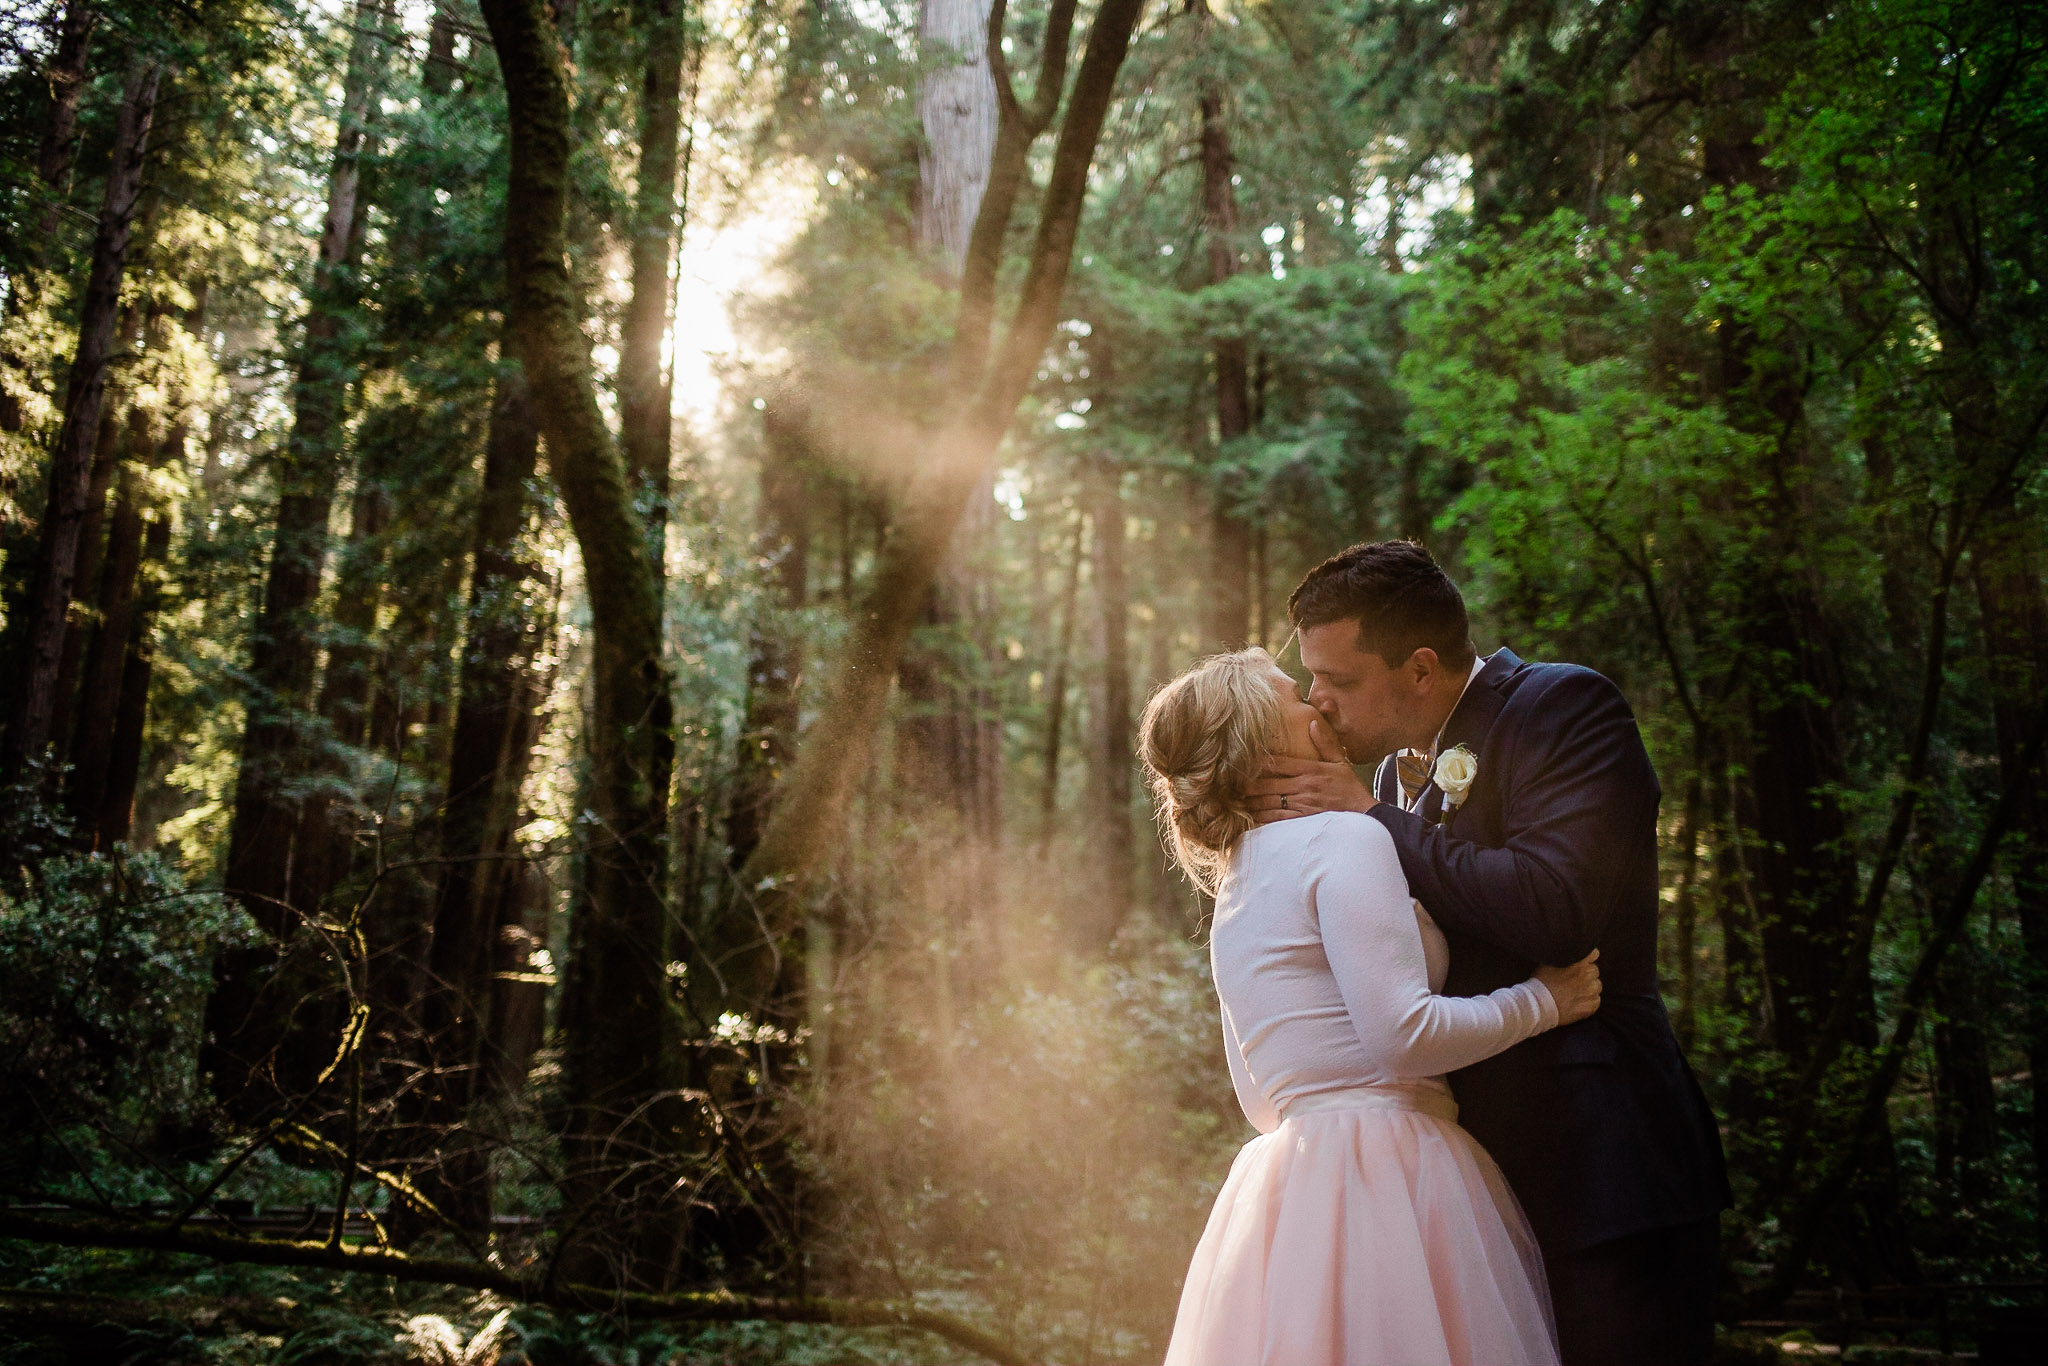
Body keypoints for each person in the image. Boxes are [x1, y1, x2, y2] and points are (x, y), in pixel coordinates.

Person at [1250, 539, 1731, 1366]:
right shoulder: (1393, 774)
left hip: (1601, 1171)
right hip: (1468, 1191)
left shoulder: (1563, 708)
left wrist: (1376, 821)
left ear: (1422, 669)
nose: (1318, 701)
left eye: (1339, 679)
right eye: (1312, 678)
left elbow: (1558, 909)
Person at [1142, 647, 1604, 1366]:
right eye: (1295, 695)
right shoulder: (1346, 837)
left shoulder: (1232, 888)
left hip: (1288, 1200)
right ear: (1266, 736)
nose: (1316, 702)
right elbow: (1405, 1036)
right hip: (1397, 1169)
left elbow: (1262, 1102)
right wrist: (1544, 1001)